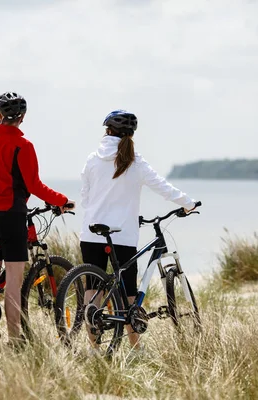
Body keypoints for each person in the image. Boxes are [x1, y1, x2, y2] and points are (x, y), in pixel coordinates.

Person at [80, 109, 196, 348]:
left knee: (93, 289)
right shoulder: (135, 161)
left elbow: (85, 197)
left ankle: (93, 349)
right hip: (122, 235)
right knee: (128, 290)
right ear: (130, 135)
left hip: (92, 232)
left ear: (107, 131)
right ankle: (135, 347)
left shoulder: (92, 159)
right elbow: (162, 186)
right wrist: (188, 203)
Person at [0, 92, 74, 348]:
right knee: (14, 281)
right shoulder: (23, 146)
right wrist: (62, 200)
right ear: (23, 117)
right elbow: (35, 185)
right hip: (12, 216)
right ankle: (15, 339)